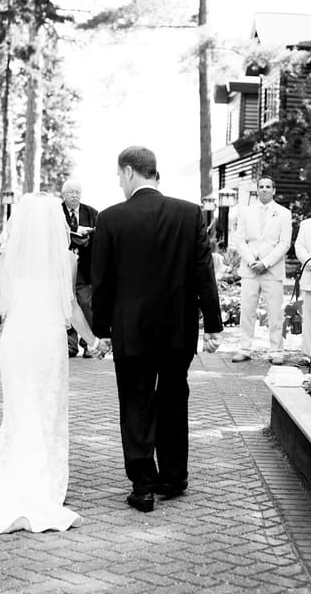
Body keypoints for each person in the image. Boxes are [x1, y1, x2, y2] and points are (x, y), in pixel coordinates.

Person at [0, 193, 109, 534]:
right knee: (46, 407)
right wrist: (92, 341)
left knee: (18, 407)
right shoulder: (65, 259)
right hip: (47, 340)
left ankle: (14, 476)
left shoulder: (6, 259)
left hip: (16, 339)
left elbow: (0, 309)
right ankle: (41, 481)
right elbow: (71, 308)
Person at [91, 146, 222, 513]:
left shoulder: (111, 219)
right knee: (173, 397)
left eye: (119, 176)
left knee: (136, 402)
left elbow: (102, 283)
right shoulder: (189, 213)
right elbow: (203, 273)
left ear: (131, 171)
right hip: (178, 331)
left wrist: (100, 330)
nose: (119, 183)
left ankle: (144, 485)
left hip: (132, 331)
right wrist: (213, 325)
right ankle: (174, 477)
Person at [232, 176, 292, 365]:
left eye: (268, 187)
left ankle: (276, 351)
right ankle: (244, 348)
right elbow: (239, 240)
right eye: (261, 186)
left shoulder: (283, 213)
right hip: (250, 269)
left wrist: (265, 263)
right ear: (257, 189)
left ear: (274, 190)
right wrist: (252, 261)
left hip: (272, 270)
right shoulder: (246, 212)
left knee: (275, 312)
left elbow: (284, 244)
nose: (264, 189)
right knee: (247, 311)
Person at [61, 179, 98, 358]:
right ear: (64, 195)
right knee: (66, 305)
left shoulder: (91, 212)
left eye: (77, 192)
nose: (74, 196)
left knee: (85, 304)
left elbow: (100, 235)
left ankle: (87, 343)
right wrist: (75, 231)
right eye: (71, 192)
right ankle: (71, 345)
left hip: (85, 270)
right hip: (63, 270)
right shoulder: (57, 212)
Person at [294, 215, 311, 363]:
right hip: (310, 275)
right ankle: (308, 355)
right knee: (309, 318)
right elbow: (299, 247)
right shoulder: (306, 224)